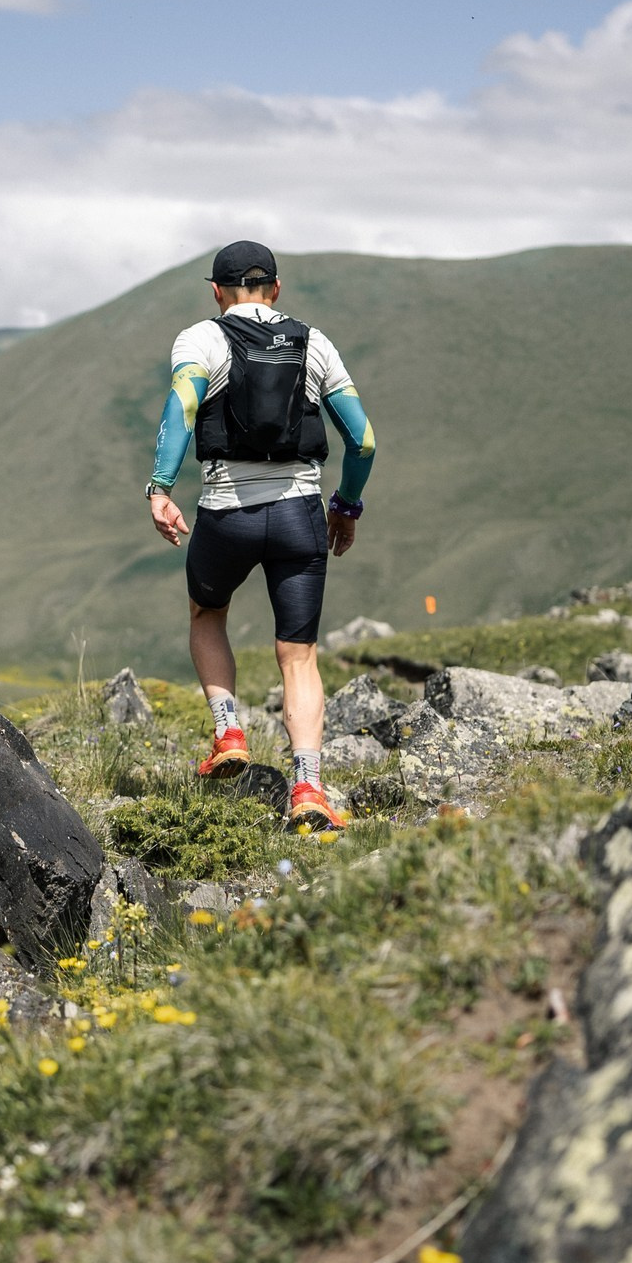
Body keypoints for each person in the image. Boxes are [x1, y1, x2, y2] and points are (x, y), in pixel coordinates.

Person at [146, 240, 377, 833]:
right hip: (301, 515)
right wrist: (345, 506)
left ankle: (229, 732)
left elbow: (183, 407)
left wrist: (161, 487)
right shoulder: (314, 342)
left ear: (216, 292)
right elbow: (363, 440)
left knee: (207, 614)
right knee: (298, 657)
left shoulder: (201, 339)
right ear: (276, 289)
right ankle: (308, 789)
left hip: (228, 514)